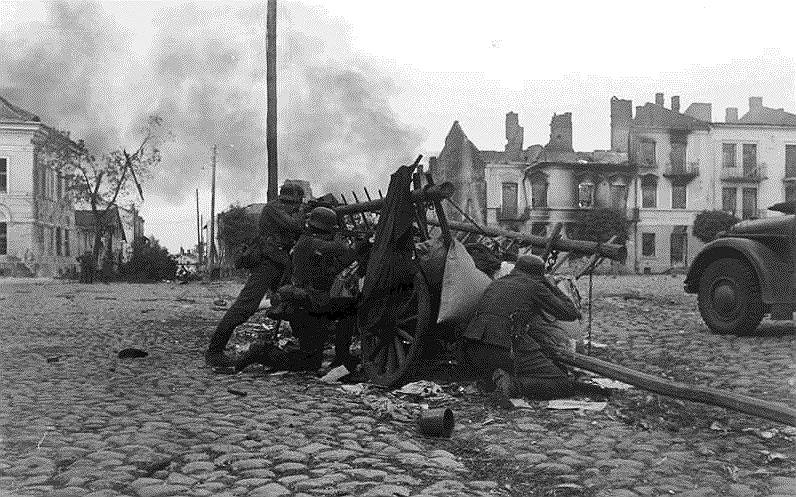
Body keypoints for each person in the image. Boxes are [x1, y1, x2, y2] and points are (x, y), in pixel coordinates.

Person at [236, 206, 360, 372]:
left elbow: (337, 265)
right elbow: (341, 249)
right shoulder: (309, 243)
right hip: (307, 305)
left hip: (311, 304)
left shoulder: (309, 243)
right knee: (309, 363)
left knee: (346, 310)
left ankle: (341, 357)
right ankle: (261, 353)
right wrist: (347, 242)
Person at [460, 254, 593, 400]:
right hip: (503, 348)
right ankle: (513, 385)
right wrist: (550, 285)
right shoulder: (535, 286)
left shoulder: (496, 283)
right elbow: (570, 313)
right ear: (539, 275)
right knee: (561, 383)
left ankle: (491, 380)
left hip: (474, 348)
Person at [204, 183, 306, 368]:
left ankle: (304, 347)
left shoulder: (286, 211)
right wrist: (302, 214)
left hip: (282, 263)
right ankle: (215, 351)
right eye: (293, 203)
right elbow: (295, 226)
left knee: (293, 301)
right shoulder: (272, 209)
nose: (294, 207)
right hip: (267, 263)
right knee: (245, 307)